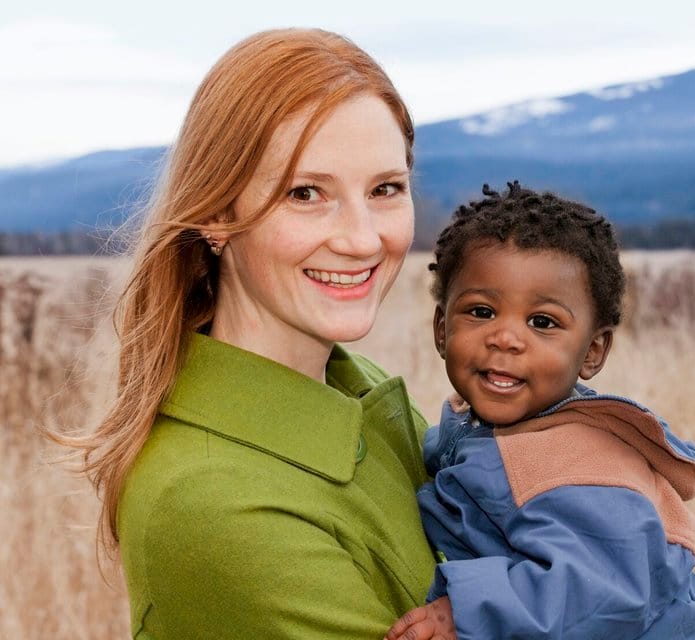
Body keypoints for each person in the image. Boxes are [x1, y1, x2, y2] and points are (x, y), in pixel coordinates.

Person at [63, 29, 438, 638]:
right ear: (216, 214)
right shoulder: (217, 503)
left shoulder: (354, 387)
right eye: (306, 193)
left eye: (385, 189)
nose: (364, 238)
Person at [386, 182, 695, 639]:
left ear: (592, 351)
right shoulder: (481, 425)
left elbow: (604, 592)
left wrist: (463, 611)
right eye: (482, 312)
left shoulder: (580, 467)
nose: (505, 337)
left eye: (542, 322)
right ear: (442, 329)